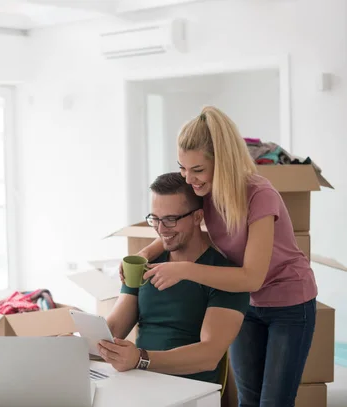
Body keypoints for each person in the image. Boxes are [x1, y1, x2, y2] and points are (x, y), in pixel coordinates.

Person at [121, 106, 317, 407]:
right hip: (246, 300)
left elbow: (252, 276)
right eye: (183, 168)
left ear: (223, 162)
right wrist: (148, 250)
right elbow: (179, 222)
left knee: (274, 402)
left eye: (197, 170)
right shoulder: (203, 191)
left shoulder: (259, 196)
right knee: (247, 398)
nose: (189, 179)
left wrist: (185, 270)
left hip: (288, 303)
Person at [99, 172, 249, 385]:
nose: (161, 230)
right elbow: (114, 329)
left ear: (197, 217)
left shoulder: (224, 275)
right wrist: (75, 345)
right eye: (155, 219)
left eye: (170, 219)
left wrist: (141, 359)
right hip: (140, 383)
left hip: (190, 392)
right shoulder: (145, 263)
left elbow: (208, 356)